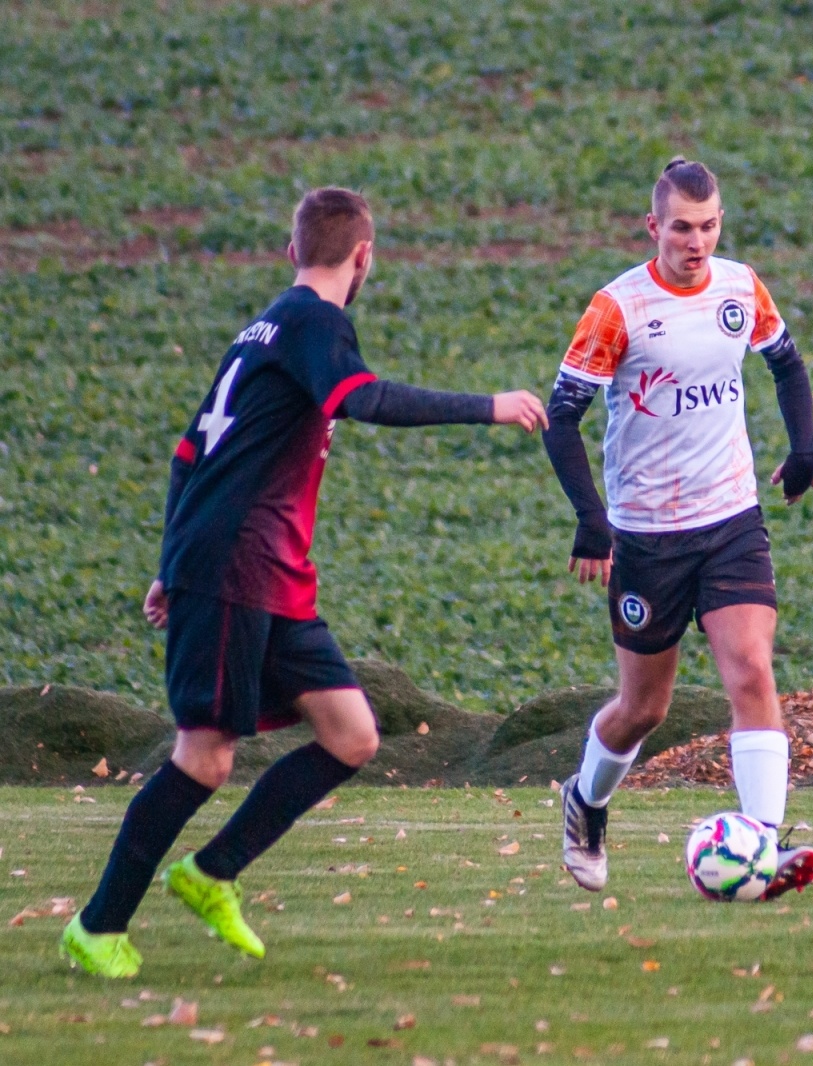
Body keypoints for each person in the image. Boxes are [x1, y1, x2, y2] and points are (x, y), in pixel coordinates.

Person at [60, 187, 548, 979]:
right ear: (364, 256)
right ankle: (97, 925)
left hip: (266, 572)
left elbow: (189, 454)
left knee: (352, 735)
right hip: (232, 565)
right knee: (205, 756)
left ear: (292, 252)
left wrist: (166, 559)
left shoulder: (260, 329)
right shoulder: (317, 323)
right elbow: (360, 398)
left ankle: (211, 873)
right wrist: (487, 406)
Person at [542, 158, 813, 899]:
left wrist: (804, 449)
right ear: (653, 228)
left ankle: (764, 846)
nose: (696, 242)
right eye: (681, 228)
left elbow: (786, 366)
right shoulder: (618, 309)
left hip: (731, 519)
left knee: (752, 670)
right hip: (647, 536)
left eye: (709, 226)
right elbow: (561, 418)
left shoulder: (739, 285)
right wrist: (590, 520)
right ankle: (586, 801)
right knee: (644, 709)